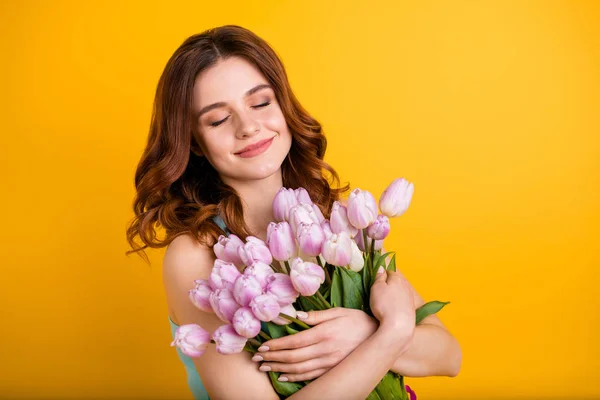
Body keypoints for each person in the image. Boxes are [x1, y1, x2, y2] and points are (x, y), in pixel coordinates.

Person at [126, 25, 461, 400]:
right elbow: (407, 336)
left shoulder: (336, 218)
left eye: (261, 102)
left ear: (284, 105)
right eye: (218, 120)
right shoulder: (197, 256)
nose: (248, 127)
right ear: (195, 143)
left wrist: (365, 331)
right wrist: (390, 333)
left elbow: (448, 355)